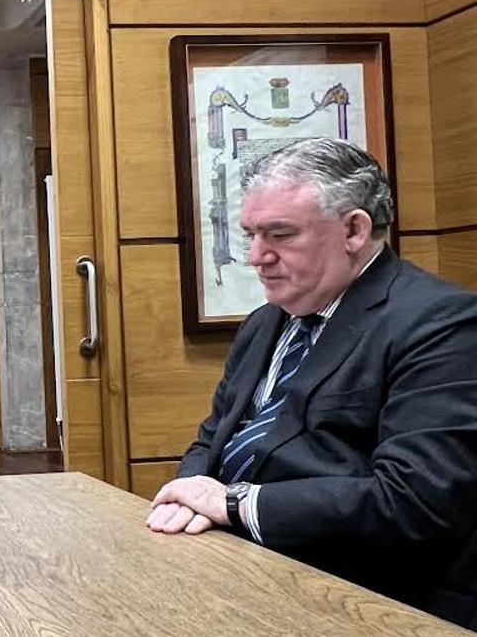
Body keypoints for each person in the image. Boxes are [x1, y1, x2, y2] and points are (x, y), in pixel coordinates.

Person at [146, 138, 477, 629]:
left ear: (353, 229)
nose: (257, 257)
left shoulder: (441, 324)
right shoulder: (265, 321)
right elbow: (216, 435)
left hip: (366, 597)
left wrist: (233, 504)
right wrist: (189, 491)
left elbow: (413, 502)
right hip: (238, 569)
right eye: (250, 235)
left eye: (279, 235)